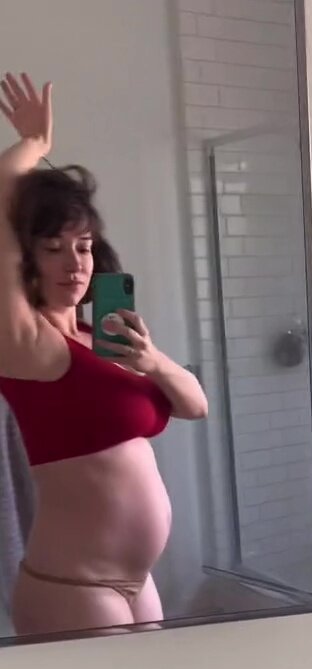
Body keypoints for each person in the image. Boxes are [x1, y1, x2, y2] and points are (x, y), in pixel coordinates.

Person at [0, 71, 208, 636]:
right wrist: (33, 145)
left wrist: (153, 361)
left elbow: (195, 406)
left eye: (84, 246)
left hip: (138, 582)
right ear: (25, 260)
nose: (75, 263)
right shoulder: (27, 343)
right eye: (53, 248)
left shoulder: (106, 338)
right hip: (73, 587)